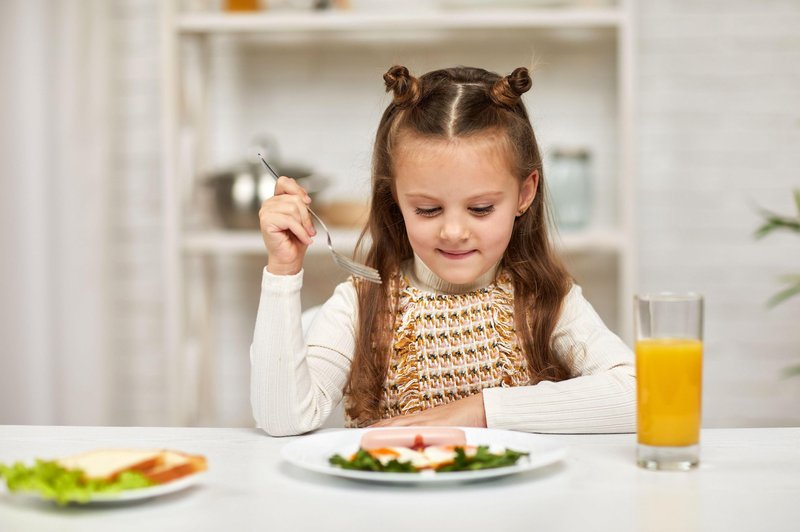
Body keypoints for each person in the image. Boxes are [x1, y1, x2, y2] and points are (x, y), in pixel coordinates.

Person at [251, 65, 635, 436]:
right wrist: (282, 272)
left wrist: (481, 410)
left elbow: (639, 395)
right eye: (428, 210)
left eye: (481, 208)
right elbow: (284, 419)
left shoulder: (547, 299)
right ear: (395, 200)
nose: (453, 232)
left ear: (525, 193)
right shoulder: (360, 303)